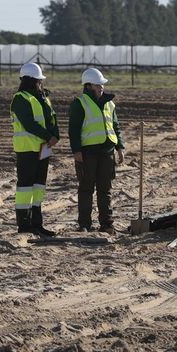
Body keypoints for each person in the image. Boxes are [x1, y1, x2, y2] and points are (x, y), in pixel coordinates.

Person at [69, 67, 124, 232]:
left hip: (107, 152)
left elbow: (115, 126)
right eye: (97, 85)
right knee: (86, 188)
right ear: (88, 86)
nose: (101, 87)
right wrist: (76, 151)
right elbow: (74, 129)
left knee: (105, 189)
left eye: (102, 84)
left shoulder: (110, 104)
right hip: (88, 153)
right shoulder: (80, 103)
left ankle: (106, 223)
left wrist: (119, 147)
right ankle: (84, 224)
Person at [10, 61, 60, 236]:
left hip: (43, 149)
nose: (41, 83)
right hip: (27, 149)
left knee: (39, 186)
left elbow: (52, 118)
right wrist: (49, 137)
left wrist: (55, 136)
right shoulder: (21, 98)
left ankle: (37, 223)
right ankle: (24, 224)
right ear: (31, 80)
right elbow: (29, 123)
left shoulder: (43, 98)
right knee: (25, 187)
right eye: (38, 80)